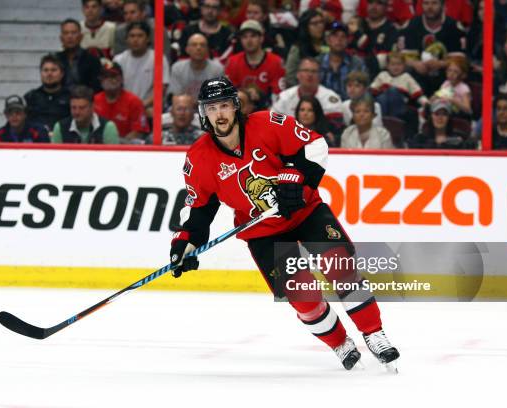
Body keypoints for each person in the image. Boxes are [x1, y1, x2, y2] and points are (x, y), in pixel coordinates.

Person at [169, 76, 400, 371]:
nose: (220, 114)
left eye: (225, 105)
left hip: (306, 213)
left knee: (340, 267)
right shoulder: (199, 158)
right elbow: (201, 211)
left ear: (235, 107)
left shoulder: (267, 124)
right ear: (204, 113)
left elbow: (315, 147)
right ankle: (341, 342)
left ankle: (374, 334)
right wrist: (185, 242)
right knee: (303, 298)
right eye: (212, 108)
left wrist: (300, 182)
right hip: (262, 233)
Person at [113, 21, 170, 117]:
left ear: (147, 39)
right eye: (132, 36)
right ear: (126, 39)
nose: (135, 39)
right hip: (124, 106)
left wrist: (141, 105)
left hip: (149, 106)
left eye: (140, 36)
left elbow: (161, 89)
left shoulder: (159, 58)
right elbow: (115, 89)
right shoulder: (118, 60)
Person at [224, 20, 286, 109]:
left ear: (261, 38)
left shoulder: (276, 62)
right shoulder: (232, 62)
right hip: (239, 111)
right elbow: (228, 94)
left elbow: (278, 96)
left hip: (268, 112)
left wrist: (261, 97)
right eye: (244, 37)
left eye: (253, 36)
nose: (249, 40)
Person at [273, 57, 345, 132]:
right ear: (298, 74)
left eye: (314, 71)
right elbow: (273, 124)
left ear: (319, 75)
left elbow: (335, 130)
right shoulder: (285, 97)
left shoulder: (330, 98)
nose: (310, 75)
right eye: (306, 70)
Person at [93, 60, 149, 141]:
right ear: (100, 80)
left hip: (126, 147)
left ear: (122, 79)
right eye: (105, 77)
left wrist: (118, 144)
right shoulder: (94, 100)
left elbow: (138, 131)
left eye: (113, 76)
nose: (109, 79)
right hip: (99, 146)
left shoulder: (134, 101)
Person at [52, 85, 120, 144]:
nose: (77, 112)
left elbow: (113, 157)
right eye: (73, 107)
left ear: (92, 107)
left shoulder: (108, 127)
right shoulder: (60, 127)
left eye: (82, 108)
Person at [317, 21, 368, 100]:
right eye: (335, 36)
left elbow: (365, 91)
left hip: (350, 107)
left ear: (348, 41)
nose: (339, 40)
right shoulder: (317, 63)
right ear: (328, 40)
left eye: (343, 36)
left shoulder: (357, 63)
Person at [167, 33, 225, 101]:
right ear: (187, 49)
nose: (198, 48)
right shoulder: (177, 68)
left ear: (207, 50)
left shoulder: (217, 69)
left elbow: (218, 98)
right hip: (185, 109)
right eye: (194, 45)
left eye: (202, 45)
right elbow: (175, 96)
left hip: (208, 109)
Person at [24, 54, 71, 132]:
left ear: (62, 74)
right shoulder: (31, 97)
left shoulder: (70, 97)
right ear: (41, 73)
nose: (49, 74)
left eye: (53, 70)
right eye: (45, 70)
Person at [284, 9, 328, 88]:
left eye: (321, 22)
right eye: (314, 23)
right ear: (306, 27)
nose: (320, 26)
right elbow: (290, 75)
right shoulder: (298, 48)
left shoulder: (327, 44)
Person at [57, 19, 103, 92]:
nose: (70, 36)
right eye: (66, 33)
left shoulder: (92, 60)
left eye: (73, 33)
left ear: (81, 37)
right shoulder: (55, 60)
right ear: (61, 38)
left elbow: (97, 88)